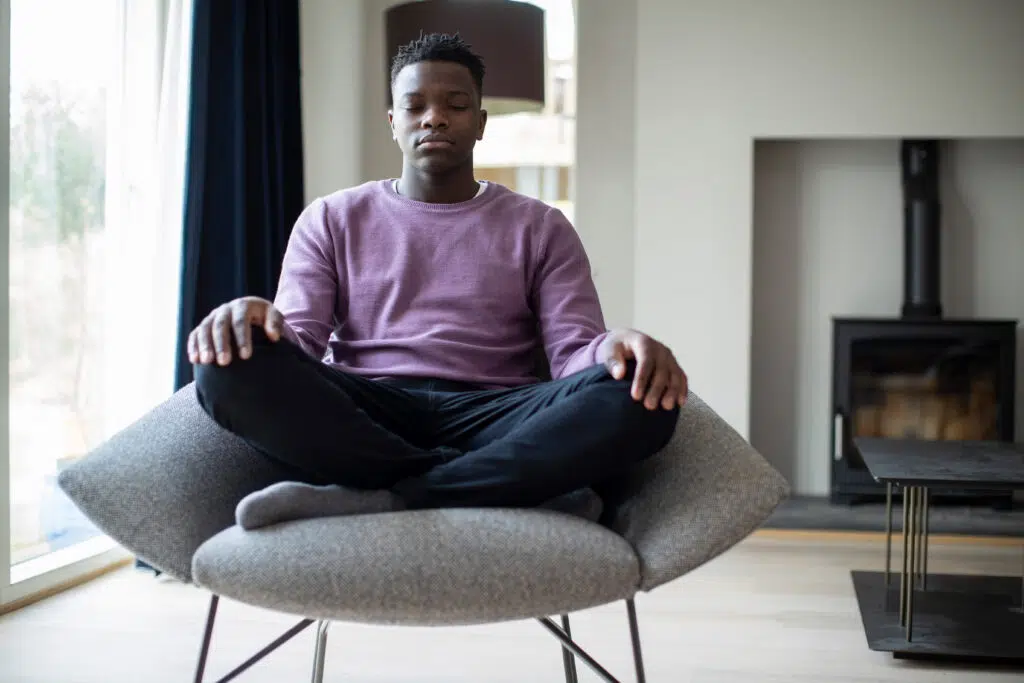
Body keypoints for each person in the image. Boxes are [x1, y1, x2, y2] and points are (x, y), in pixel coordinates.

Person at [188, 33, 688, 530]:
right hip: (369, 411)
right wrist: (260, 321)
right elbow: (300, 341)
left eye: (456, 105)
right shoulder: (331, 218)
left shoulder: (542, 227)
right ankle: (500, 486)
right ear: (393, 122)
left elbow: (572, 354)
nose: (434, 118)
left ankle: (383, 495)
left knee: (636, 397)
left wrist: (612, 348)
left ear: (481, 123)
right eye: (415, 106)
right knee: (228, 367)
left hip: (493, 413)